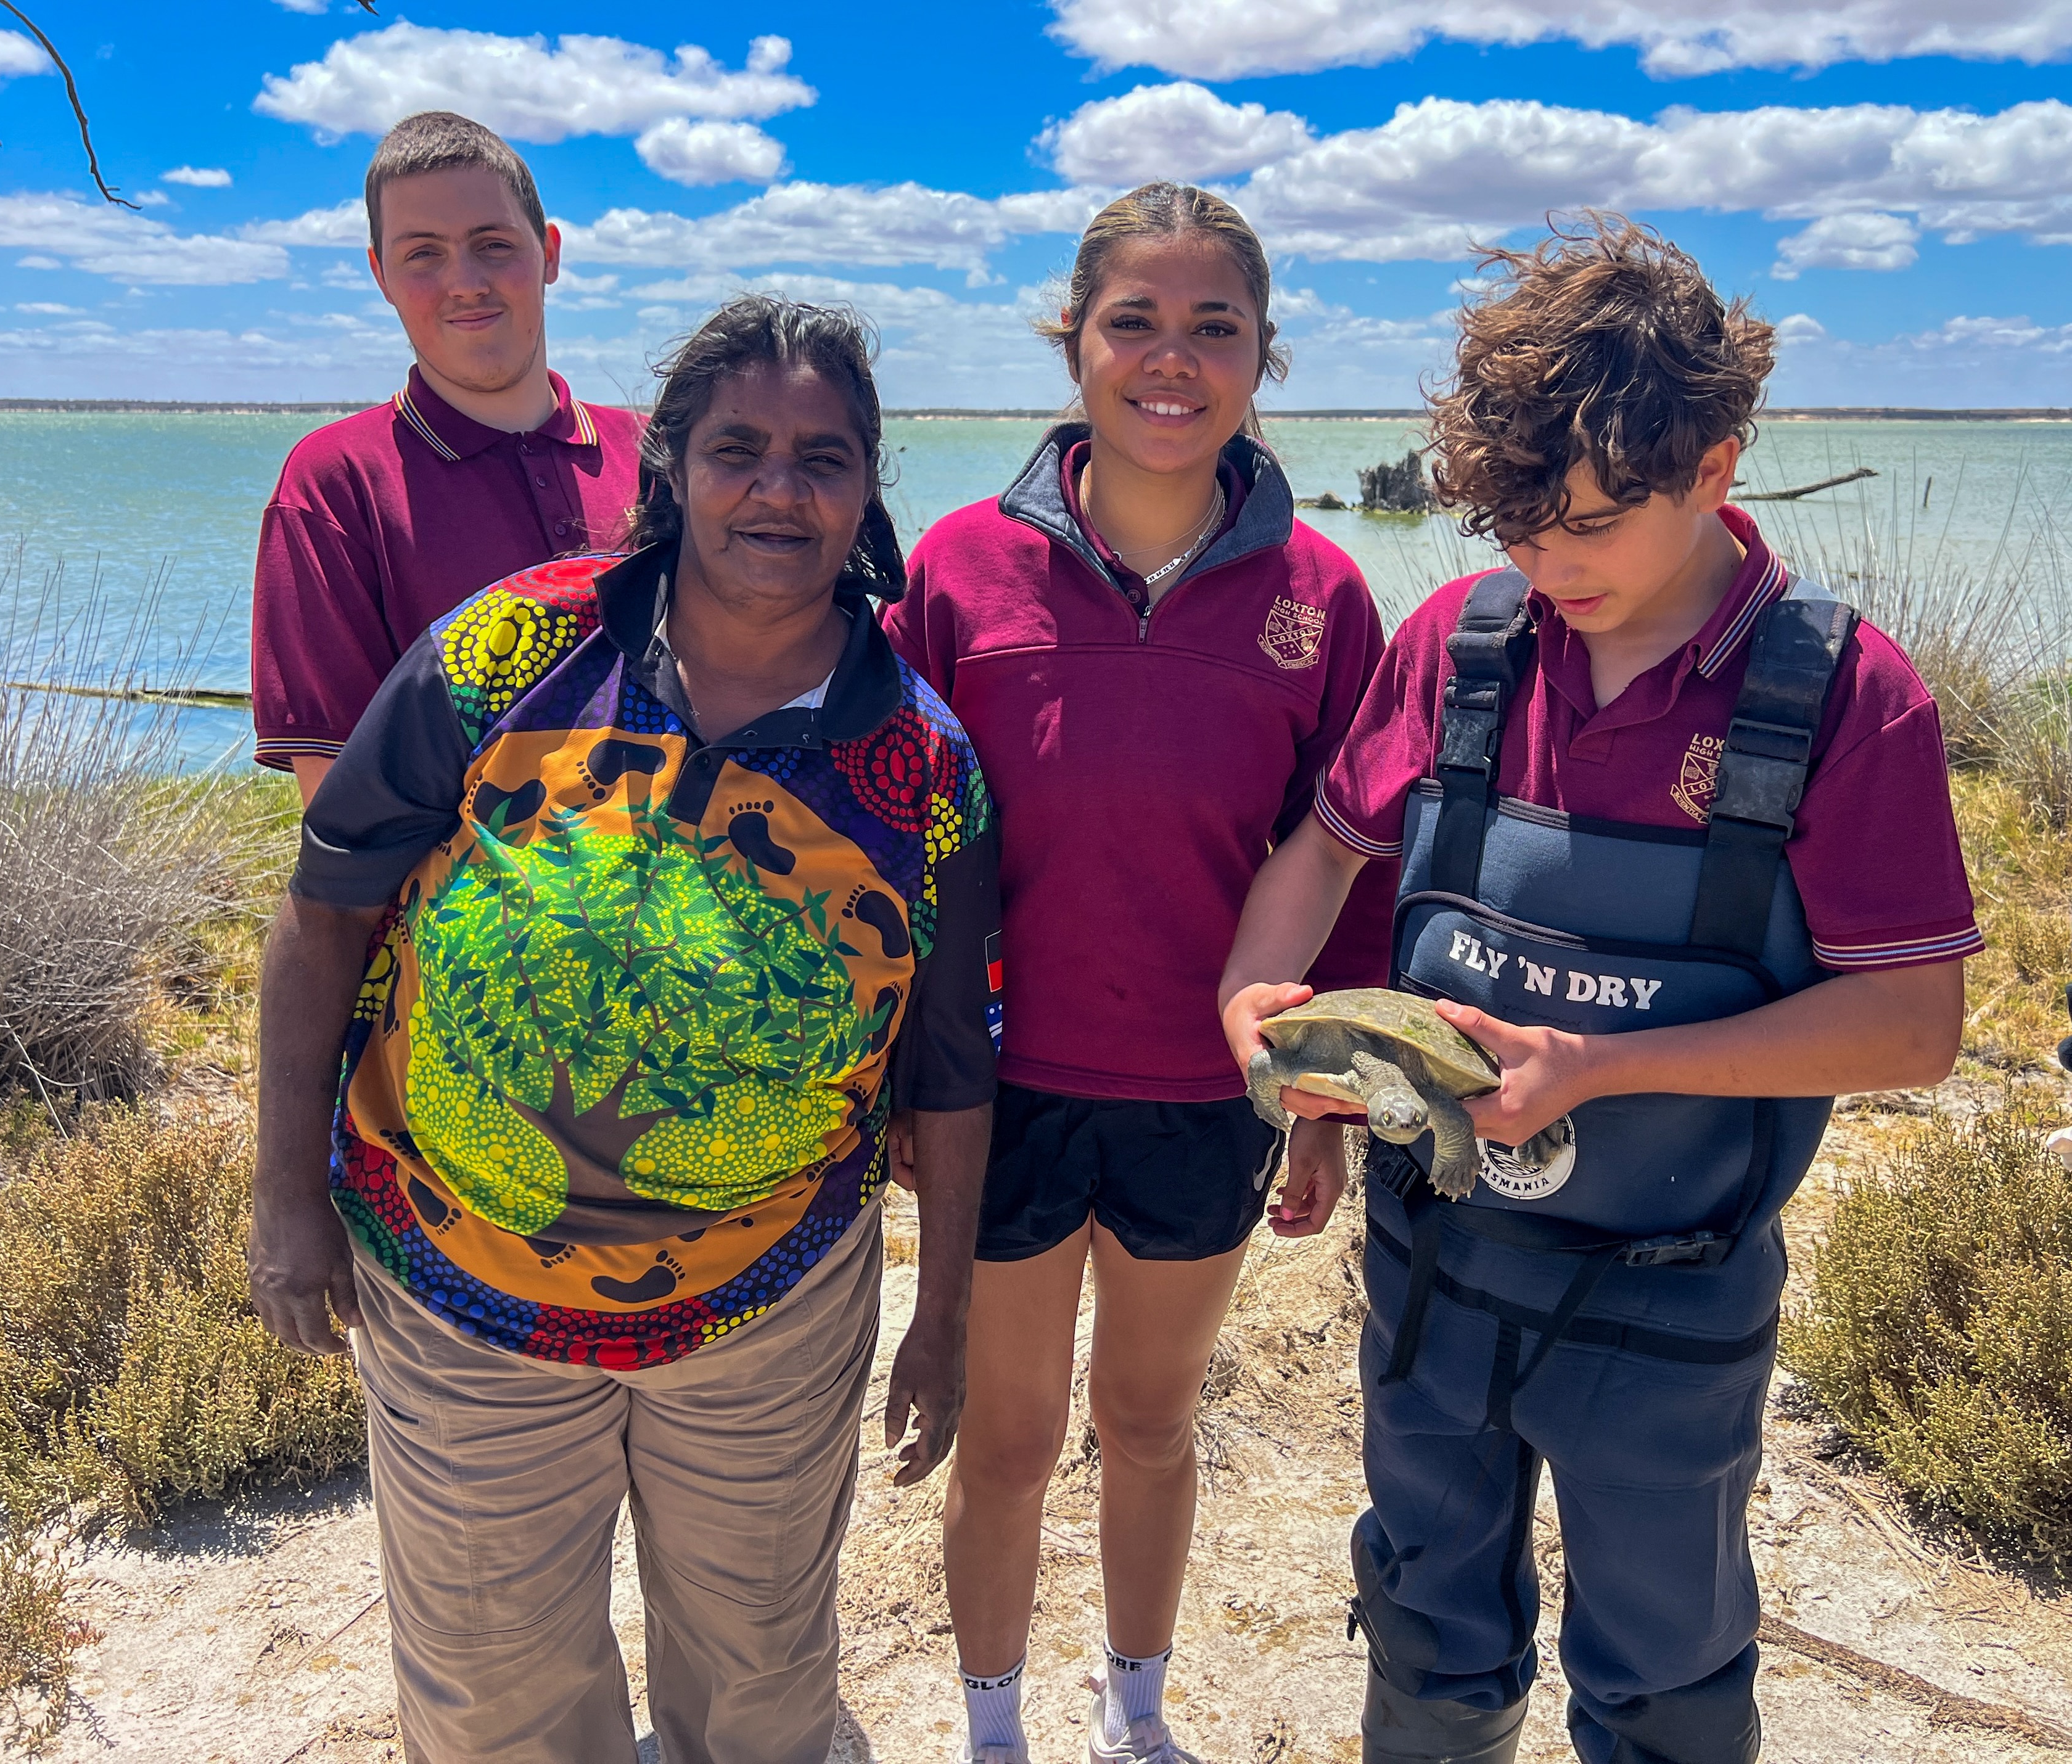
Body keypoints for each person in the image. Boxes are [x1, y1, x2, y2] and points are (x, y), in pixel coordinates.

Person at [1220, 215, 1975, 1764]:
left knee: (1661, 1674)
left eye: (1591, 524)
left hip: (1669, 1286)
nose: (1548, 563)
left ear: (1716, 462)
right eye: (1515, 525)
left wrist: (1599, 1064)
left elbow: (1912, 1027)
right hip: (1435, 1264)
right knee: (1427, 1630)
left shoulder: (1841, 694)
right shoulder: (1465, 641)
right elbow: (1319, 852)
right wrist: (1259, 1001)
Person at [248, 295, 1000, 1764]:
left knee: (761, 1677)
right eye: (738, 449)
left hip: (764, 1312)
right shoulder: (511, 648)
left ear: (865, 489)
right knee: (492, 1690)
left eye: (823, 458)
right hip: (463, 1283)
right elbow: (324, 908)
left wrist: (947, 1315)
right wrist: (284, 1193)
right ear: (668, 463)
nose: (778, 489)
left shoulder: (920, 760)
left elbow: (954, 1063)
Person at [886, 182, 1393, 1764]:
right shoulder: (963, 570)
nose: (1171, 360)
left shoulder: (1324, 595)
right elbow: (897, 846)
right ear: (1074, 339)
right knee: (1013, 1433)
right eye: (1134, 322)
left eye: (1212, 328)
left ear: (1261, 356)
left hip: (1206, 1092)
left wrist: (1325, 1098)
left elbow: (1350, 871)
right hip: (1007, 1088)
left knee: (1151, 1422)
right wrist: (906, 1078)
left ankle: (1139, 1709)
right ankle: (990, 1729)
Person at [251, 109, 643, 802]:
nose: (465, 282)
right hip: (457, 900)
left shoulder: (659, 453)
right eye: (423, 253)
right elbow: (338, 802)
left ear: (549, 254)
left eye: (493, 244)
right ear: (381, 275)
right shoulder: (335, 483)